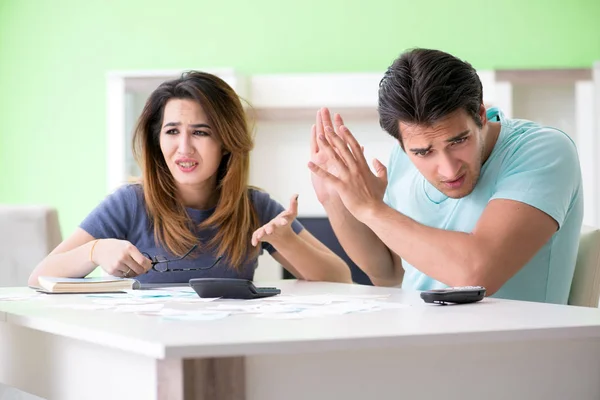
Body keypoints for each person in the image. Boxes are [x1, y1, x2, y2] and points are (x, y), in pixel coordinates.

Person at [308, 48, 583, 304]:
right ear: (402, 146)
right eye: (423, 153)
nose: (449, 169)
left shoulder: (543, 151)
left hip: (515, 350)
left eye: (458, 141)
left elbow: (476, 275)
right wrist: (335, 197)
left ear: (481, 115)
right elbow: (389, 274)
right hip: (422, 342)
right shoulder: (402, 160)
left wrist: (371, 209)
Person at [29, 71, 351, 287]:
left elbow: (341, 280)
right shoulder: (129, 203)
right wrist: (94, 251)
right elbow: (39, 277)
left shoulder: (254, 206)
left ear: (226, 142)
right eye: (172, 132)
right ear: (157, 140)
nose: (184, 148)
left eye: (200, 132)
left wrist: (286, 240)